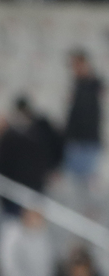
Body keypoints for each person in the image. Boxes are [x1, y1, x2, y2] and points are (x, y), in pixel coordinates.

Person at [0, 210, 55, 276]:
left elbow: (48, 265)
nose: (38, 222)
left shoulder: (44, 237)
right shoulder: (12, 233)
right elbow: (7, 263)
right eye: (35, 217)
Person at [64, 50, 103, 184]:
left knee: (87, 185)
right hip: (75, 142)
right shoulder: (77, 85)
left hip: (88, 142)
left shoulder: (93, 85)